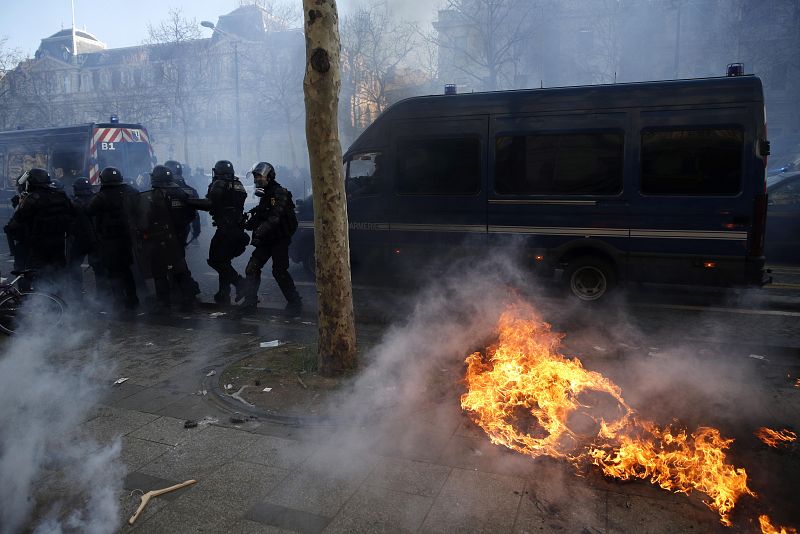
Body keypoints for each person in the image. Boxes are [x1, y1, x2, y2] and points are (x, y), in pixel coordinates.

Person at [241, 162, 301, 314]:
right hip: (267, 239)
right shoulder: (266, 195)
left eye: (259, 176)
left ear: (269, 176)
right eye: (255, 177)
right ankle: (250, 303)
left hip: (280, 239)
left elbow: (274, 217)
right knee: (252, 268)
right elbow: (262, 214)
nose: (256, 180)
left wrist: (259, 232)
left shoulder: (280, 193)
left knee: (279, 271)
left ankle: (295, 302)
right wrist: (245, 223)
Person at [186, 160, 249, 305]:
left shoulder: (220, 183)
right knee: (224, 261)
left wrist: (188, 201)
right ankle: (223, 293)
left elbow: (209, 204)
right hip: (238, 229)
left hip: (226, 230)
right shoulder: (238, 184)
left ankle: (241, 283)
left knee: (216, 260)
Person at [137, 165, 197, 312]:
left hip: (159, 239)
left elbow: (145, 221)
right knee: (180, 269)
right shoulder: (181, 193)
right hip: (177, 238)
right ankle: (188, 301)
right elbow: (191, 215)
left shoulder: (153, 195)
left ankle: (163, 304)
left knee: (160, 272)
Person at [3, 168, 74, 285]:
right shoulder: (61, 195)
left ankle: (38, 301)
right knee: (58, 277)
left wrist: (20, 204)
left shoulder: (32, 199)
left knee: (37, 279)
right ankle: (60, 301)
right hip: (59, 245)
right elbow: (73, 215)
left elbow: (15, 223)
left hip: (38, 247)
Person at [87, 166, 140, 310]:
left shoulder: (101, 196)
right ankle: (133, 299)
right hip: (127, 238)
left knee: (113, 272)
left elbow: (88, 211)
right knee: (126, 270)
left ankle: (119, 302)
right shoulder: (131, 192)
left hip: (109, 240)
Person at [67, 177, 104, 298]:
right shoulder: (96, 200)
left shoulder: (75, 203)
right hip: (96, 240)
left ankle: (77, 294)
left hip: (81, 239)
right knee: (99, 269)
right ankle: (102, 295)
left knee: (74, 265)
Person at [164, 160, 201, 245]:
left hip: (165, 229)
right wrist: (196, 231)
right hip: (183, 229)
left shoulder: (160, 190)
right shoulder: (191, 190)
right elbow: (195, 213)